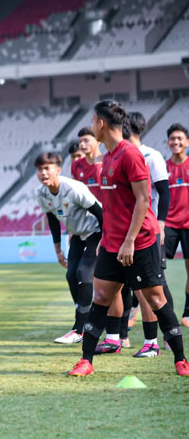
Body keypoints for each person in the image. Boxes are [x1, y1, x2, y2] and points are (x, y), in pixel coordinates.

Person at [68, 100, 189, 377]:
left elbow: (144, 200)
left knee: (157, 300)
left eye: (92, 120)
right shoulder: (108, 157)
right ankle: (86, 361)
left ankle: (181, 360)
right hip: (113, 243)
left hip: (140, 242)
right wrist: (108, 237)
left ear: (100, 123)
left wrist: (130, 240)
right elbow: (113, 204)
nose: (90, 126)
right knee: (101, 297)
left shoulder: (131, 154)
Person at [95, 113, 173, 356]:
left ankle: (155, 341)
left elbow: (160, 193)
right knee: (116, 289)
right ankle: (116, 338)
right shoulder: (111, 157)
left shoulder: (149, 155)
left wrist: (159, 225)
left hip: (144, 233)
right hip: (118, 236)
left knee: (148, 290)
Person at [34, 152, 103, 345]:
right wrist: (58, 250)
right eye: (40, 169)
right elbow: (53, 221)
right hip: (78, 236)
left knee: (83, 273)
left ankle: (79, 329)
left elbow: (100, 212)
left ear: (58, 169)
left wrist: (104, 241)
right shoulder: (40, 193)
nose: (43, 173)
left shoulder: (74, 188)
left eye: (47, 168)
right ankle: (85, 316)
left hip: (97, 232)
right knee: (71, 275)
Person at [163, 123, 189, 330]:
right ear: (168, 142)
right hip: (168, 224)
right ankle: (137, 307)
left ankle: (187, 313)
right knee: (154, 269)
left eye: (180, 138)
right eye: (172, 139)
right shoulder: (163, 167)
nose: (176, 142)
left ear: (187, 142)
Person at [71, 127, 103, 201]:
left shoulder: (108, 161)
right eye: (80, 141)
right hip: (86, 210)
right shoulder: (76, 165)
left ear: (98, 141)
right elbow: (75, 192)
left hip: (107, 209)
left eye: (86, 141)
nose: (81, 144)